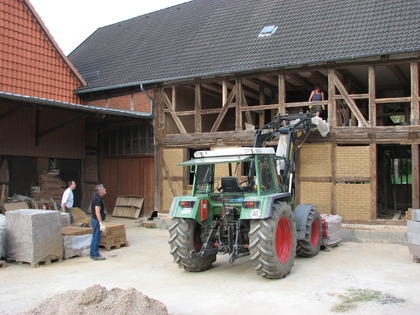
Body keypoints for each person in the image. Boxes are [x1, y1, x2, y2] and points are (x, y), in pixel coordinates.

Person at [90, 184, 107, 261]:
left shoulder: (98, 198)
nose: (105, 189)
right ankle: (94, 254)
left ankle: (94, 253)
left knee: (96, 237)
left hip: (96, 220)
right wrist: (101, 223)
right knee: (96, 238)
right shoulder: (98, 199)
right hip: (96, 221)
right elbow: (97, 212)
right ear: (100, 191)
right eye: (103, 188)